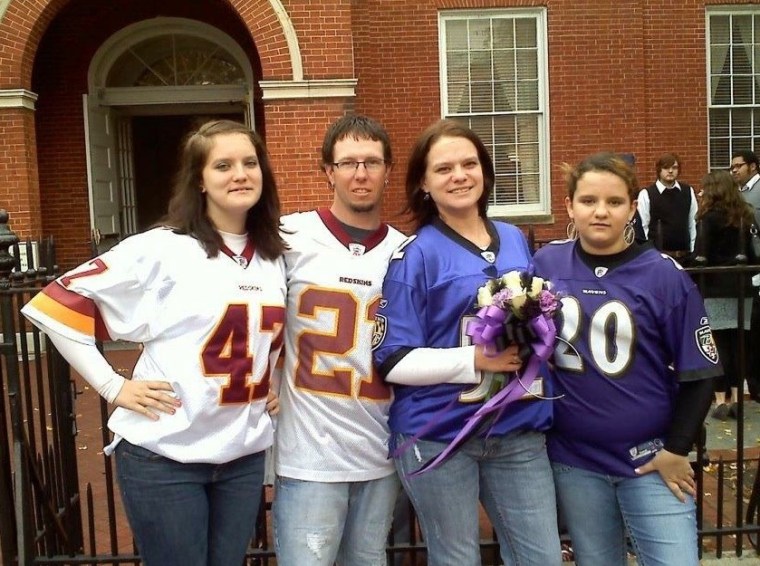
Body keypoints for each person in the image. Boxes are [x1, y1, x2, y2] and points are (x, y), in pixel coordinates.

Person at [21, 119, 286, 566]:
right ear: (199, 180)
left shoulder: (273, 254)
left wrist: (268, 379)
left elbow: (263, 333)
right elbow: (54, 305)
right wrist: (112, 386)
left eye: (249, 162)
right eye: (222, 165)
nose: (239, 174)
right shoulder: (162, 249)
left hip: (240, 456)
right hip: (165, 454)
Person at [373, 119, 562, 566]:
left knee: (542, 557)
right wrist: (475, 360)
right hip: (441, 432)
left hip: (517, 428)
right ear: (423, 182)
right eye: (443, 169)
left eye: (468, 164)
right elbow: (392, 360)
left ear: (485, 171)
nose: (459, 175)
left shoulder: (515, 237)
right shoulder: (415, 254)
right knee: (456, 558)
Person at [532, 152, 722, 566]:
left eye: (614, 202)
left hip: (650, 460)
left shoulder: (664, 276)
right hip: (574, 460)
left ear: (632, 208)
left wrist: (676, 448)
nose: (600, 212)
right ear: (569, 205)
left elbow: (701, 372)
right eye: (588, 201)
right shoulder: (546, 264)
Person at [273, 114, 406, 566]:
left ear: (388, 169)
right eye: (348, 162)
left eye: (371, 162)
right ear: (328, 170)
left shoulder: (407, 250)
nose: (360, 173)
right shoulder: (289, 237)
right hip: (308, 454)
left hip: (380, 448)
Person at [696, 170, 755, 421]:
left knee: (718, 346)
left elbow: (701, 256)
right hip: (742, 288)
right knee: (739, 345)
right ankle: (737, 396)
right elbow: (752, 256)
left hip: (716, 288)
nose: (701, 192)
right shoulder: (745, 216)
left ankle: (721, 400)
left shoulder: (708, 218)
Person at [731, 149, 760, 402]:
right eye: (732, 167)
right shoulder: (738, 194)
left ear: (752, 166)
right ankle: (754, 383)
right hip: (749, 266)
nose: (734, 171)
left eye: (738, 166)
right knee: (751, 328)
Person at [636, 152, 698, 259]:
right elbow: (643, 227)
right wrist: (648, 254)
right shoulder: (646, 194)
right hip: (657, 258)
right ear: (659, 169)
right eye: (666, 168)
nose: (670, 171)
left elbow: (693, 223)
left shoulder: (688, 191)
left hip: (685, 256)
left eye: (674, 167)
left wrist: (693, 251)